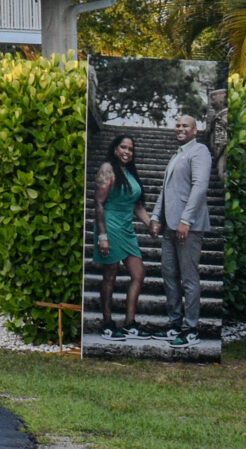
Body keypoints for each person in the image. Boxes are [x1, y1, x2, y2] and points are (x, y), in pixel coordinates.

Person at [158, 111, 213, 346]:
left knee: (188, 278)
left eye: (185, 126)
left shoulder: (200, 151)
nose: (180, 129)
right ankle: (174, 324)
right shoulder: (177, 155)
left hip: (188, 226)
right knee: (169, 274)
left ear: (195, 130)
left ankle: (191, 329)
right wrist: (155, 216)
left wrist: (186, 220)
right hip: (169, 225)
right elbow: (165, 190)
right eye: (178, 125)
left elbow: (200, 186)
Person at [91, 135, 146, 340]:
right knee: (110, 275)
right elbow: (99, 203)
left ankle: (129, 323)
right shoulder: (107, 168)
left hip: (126, 228)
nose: (127, 152)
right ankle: (107, 323)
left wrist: (150, 224)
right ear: (115, 149)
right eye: (123, 147)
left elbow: (137, 205)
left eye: (130, 149)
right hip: (110, 225)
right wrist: (102, 236)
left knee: (138, 274)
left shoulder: (129, 172)